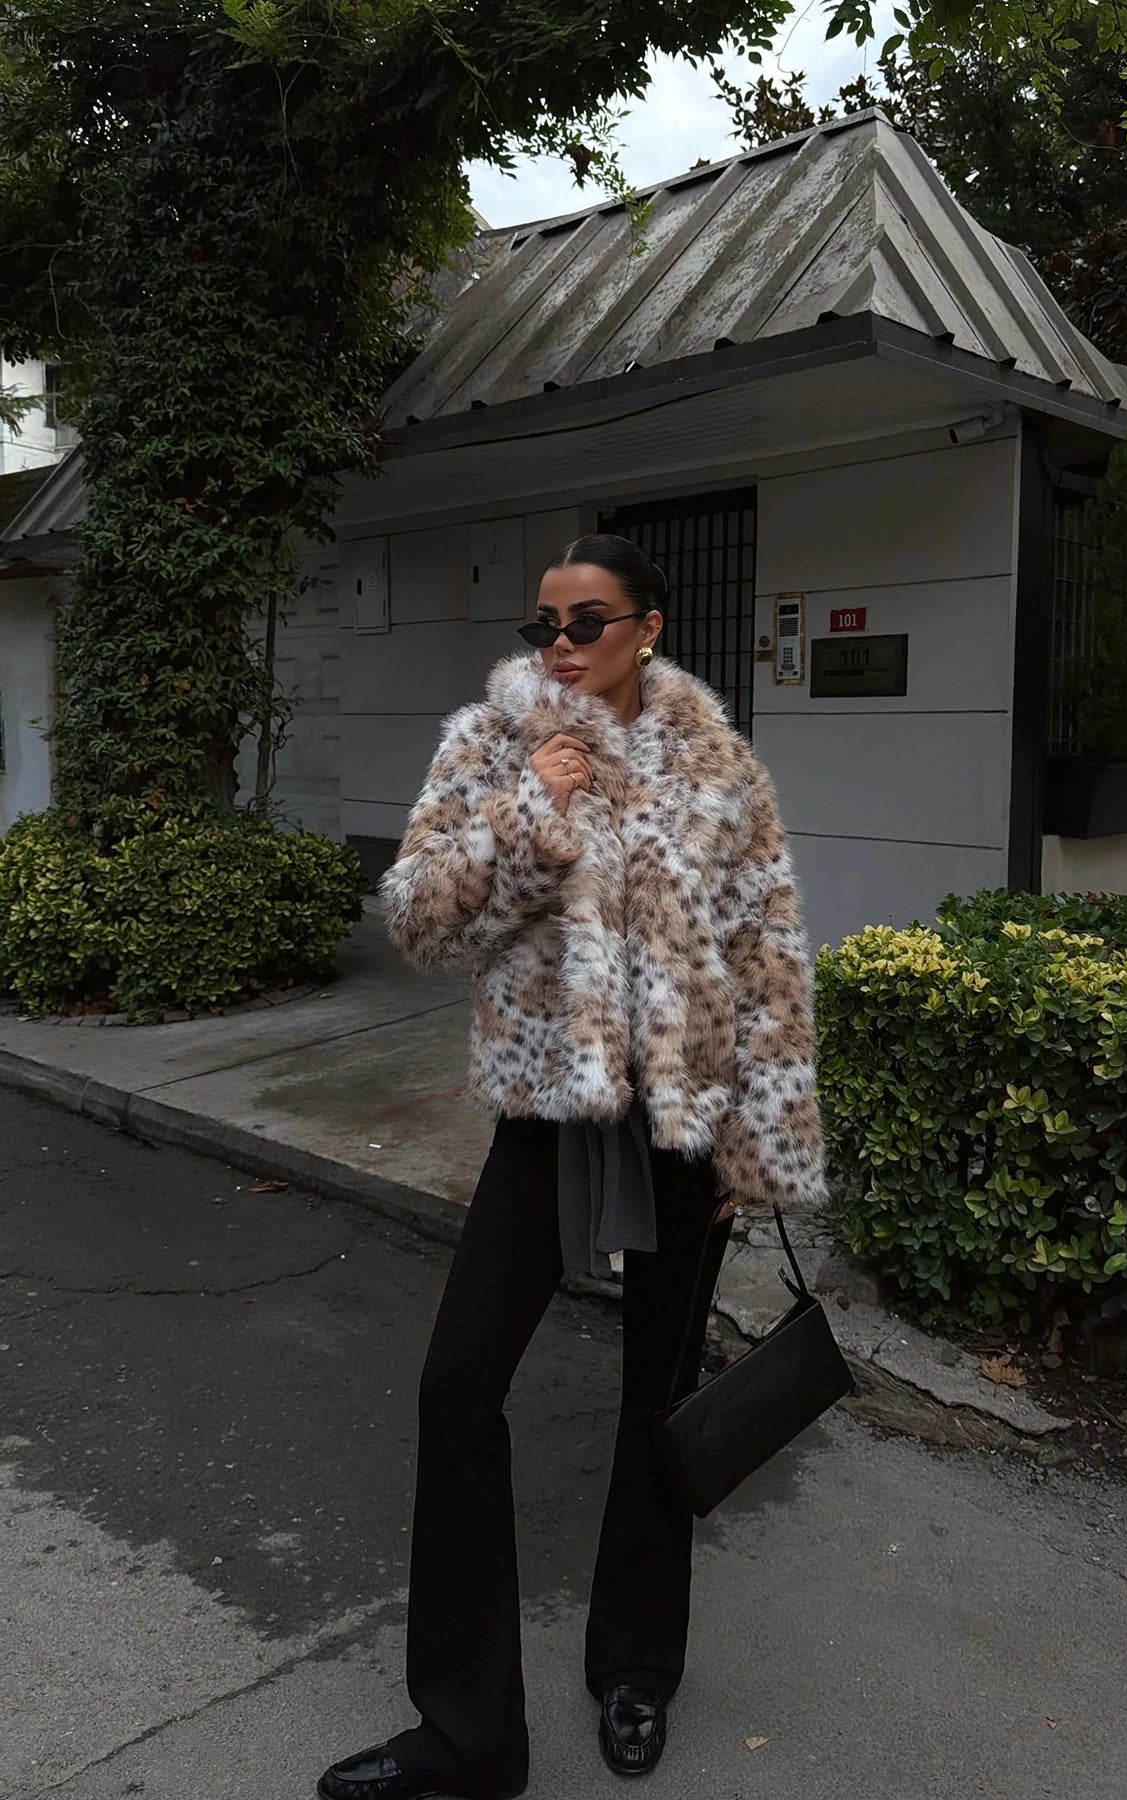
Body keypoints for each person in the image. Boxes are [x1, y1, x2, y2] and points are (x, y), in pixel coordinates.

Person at [318, 534, 825, 1800]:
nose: (558, 644)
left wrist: (757, 1140)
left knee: (658, 1398)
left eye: (585, 621)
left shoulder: (719, 768)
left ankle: (636, 1665)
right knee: (457, 1388)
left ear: (647, 628)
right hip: (547, 1118)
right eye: (542, 623)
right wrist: (527, 816)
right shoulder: (493, 745)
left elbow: (766, 954)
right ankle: (468, 1736)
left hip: (684, 1123)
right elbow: (420, 919)